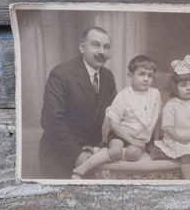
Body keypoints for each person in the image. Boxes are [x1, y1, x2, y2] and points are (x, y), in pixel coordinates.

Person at [39, 27, 117, 179]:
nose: (102, 51)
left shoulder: (108, 77)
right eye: (96, 45)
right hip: (59, 157)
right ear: (82, 47)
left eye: (106, 47)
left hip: (90, 158)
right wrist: (76, 153)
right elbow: (51, 120)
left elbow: (115, 113)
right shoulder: (61, 74)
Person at [71, 55, 162, 179]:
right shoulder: (124, 95)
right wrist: (131, 140)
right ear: (130, 76)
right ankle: (80, 170)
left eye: (150, 75)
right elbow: (113, 123)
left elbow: (157, 117)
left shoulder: (155, 94)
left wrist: (154, 141)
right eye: (141, 74)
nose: (146, 79)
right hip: (120, 133)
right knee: (115, 150)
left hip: (138, 137)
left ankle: (100, 152)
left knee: (134, 154)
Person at [154, 55, 190, 180]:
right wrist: (179, 138)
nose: (188, 88)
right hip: (175, 139)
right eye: (183, 85)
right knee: (185, 153)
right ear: (175, 88)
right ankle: (188, 179)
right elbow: (167, 128)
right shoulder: (172, 105)